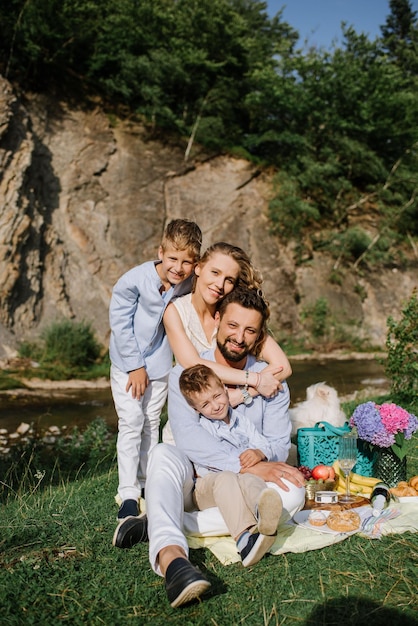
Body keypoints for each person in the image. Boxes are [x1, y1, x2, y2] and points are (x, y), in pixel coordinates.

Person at [113, 287, 306, 608]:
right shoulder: (185, 376)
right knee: (163, 453)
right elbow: (192, 443)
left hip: (247, 484)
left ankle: (162, 519)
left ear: (259, 337)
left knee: (293, 494)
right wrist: (247, 464)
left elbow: (277, 443)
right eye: (233, 325)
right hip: (196, 482)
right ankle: (173, 560)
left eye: (250, 330)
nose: (239, 337)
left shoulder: (271, 380)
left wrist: (261, 460)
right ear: (217, 320)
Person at [109, 219, 202, 521]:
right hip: (127, 364)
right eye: (173, 258)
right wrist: (135, 366)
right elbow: (120, 325)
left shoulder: (188, 282)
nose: (178, 267)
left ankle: (149, 483)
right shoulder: (132, 281)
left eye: (187, 262)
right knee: (132, 420)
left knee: (151, 422)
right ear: (160, 252)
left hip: (160, 365)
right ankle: (128, 493)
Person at [161, 242, 293, 444]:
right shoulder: (175, 312)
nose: (220, 284)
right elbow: (193, 364)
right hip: (193, 422)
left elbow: (283, 368)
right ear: (198, 267)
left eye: (229, 279)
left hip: (235, 425)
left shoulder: (235, 315)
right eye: (215, 272)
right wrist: (256, 380)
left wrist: (243, 394)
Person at [179, 363, 283, 568]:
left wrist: (258, 452)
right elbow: (207, 466)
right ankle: (244, 540)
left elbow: (263, 443)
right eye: (205, 404)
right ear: (195, 409)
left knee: (251, 478)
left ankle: (263, 514)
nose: (215, 406)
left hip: (240, 480)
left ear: (225, 390)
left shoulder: (241, 421)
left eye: (217, 396)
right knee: (228, 477)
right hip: (207, 487)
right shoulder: (202, 428)